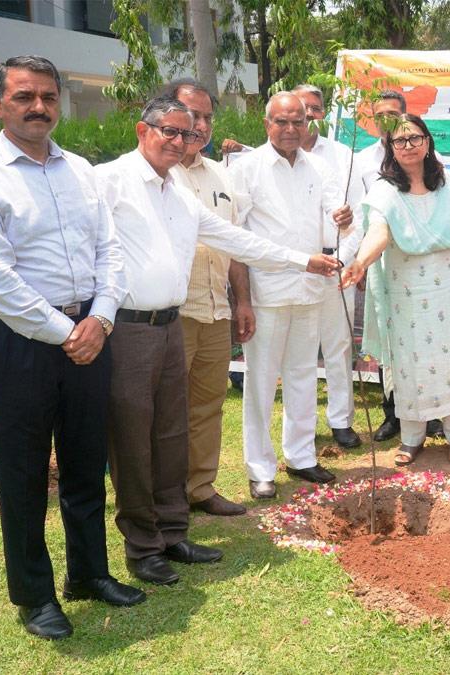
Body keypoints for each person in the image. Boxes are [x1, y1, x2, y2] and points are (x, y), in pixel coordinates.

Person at [96, 94, 340, 586]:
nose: (180, 141)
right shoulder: (108, 181)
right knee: (134, 440)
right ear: (143, 130)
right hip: (126, 326)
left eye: (187, 134)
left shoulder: (179, 193)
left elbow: (238, 241)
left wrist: (301, 260)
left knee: (170, 434)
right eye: (170, 131)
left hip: (172, 323)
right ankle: (142, 548)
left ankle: (172, 533)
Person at [0, 55, 144, 640]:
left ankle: (89, 574)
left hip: (91, 330)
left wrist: (101, 319)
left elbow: (111, 251)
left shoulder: (81, 171)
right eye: (24, 96)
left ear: (60, 102)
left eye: (48, 96)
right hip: (23, 342)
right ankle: (34, 595)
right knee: (25, 471)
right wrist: (67, 334)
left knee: (87, 462)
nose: (38, 107)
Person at [229, 93, 354, 499]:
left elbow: (335, 216)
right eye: (281, 122)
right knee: (262, 381)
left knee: (303, 375)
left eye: (297, 122)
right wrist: (242, 300)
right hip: (266, 291)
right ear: (267, 125)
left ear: (308, 124)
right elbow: (237, 240)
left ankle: (301, 457)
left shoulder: (319, 166)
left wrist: (345, 218)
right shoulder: (245, 169)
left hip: (310, 288)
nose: (290, 129)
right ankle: (260, 467)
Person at [340, 114, 450, 465]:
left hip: (447, 286)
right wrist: (360, 262)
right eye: (400, 141)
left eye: (415, 138)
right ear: (390, 147)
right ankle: (412, 436)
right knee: (409, 361)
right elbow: (379, 233)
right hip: (405, 291)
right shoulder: (385, 190)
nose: (408, 146)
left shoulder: (448, 184)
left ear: (428, 142)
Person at [161, 79, 250, 518]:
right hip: (170, 314)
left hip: (216, 309)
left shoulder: (222, 176)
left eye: (207, 117)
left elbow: (233, 243)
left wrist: (243, 302)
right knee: (166, 409)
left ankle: (200, 487)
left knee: (208, 405)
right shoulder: (157, 171)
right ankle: (165, 495)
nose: (197, 125)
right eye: (189, 114)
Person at [354, 90, 445, 443]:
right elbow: (359, 216)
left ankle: (432, 415)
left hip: (420, 270)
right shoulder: (362, 160)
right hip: (379, 264)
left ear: (406, 115)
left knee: (425, 341)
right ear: (373, 119)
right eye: (382, 115)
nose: (388, 120)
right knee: (388, 339)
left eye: (395, 113)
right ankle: (392, 414)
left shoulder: (425, 160)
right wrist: (359, 262)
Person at [292, 83, 364, 450]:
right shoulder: (270, 157)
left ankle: (341, 420)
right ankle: (301, 426)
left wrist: (343, 261)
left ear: (324, 113)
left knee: (337, 347)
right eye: (301, 107)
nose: (306, 115)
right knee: (299, 352)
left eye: (315, 108)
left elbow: (358, 215)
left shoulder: (342, 155)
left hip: (337, 263)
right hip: (294, 268)